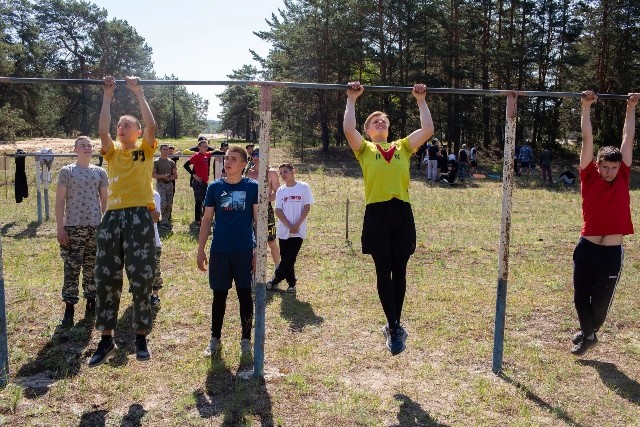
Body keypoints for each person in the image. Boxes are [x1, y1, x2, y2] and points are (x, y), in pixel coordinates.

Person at [343, 81, 434, 356]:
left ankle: (394, 324)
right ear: (368, 131)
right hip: (377, 213)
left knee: (401, 269)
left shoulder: (403, 147)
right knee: (383, 269)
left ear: (389, 128)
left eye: (384, 120)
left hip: (401, 211)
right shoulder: (365, 150)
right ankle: (394, 325)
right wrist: (351, 99)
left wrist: (421, 100)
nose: (380, 122)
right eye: (375, 121)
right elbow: (349, 128)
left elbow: (428, 129)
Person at [89, 76, 158, 367]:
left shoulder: (146, 147)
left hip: (139, 215)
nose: (121, 127)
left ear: (138, 131)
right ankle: (106, 338)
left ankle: (140, 334)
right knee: (106, 276)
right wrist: (107, 96)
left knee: (142, 277)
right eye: (120, 125)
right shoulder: (113, 151)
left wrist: (137, 92)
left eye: (127, 124)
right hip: (113, 216)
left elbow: (152, 126)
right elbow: (102, 129)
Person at [570, 90, 638, 355]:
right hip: (587, 247)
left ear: (619, 167)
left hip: (611, 252)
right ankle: (588, 334)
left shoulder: (623, 176)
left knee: (599, 305)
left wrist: (630, 108)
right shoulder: (588, 175)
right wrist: (586, 107)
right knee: (579, 296)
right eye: (605, 167)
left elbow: (627, 138)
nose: (609, 171)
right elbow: (588, 138)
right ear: (597, 165)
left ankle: (589, 331)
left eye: (613, 167)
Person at [197, 145, 258, 357]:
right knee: (219, 295)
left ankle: (246, 339)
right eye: (226, 158)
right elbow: (206, 220)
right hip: (220, 250)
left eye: (233, 158)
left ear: (243, 164)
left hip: (243, 250)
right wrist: (201, 249)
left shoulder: (253, 187)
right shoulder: (214, 187)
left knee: (244, 295)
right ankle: (215, 338)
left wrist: (258, 252)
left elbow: (258, 221)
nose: (228, 161)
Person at [56, 136, 108, 327]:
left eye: (89, 145)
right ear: (75, 149)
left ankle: (91, 302)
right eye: (82, 145)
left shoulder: (100, 172)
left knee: (92, 267)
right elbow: (60, 201)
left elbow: (105, 202)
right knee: (71, 267)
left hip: (95, 226)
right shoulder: (67, 171)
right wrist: (60, 228)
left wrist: (107, 226)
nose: (87, 148)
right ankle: (69, 307)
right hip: (73, 226)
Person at [267, 164, 314, 293]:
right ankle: (291, 284)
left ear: (294, 171)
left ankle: (274, 280)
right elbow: (277, 210)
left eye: (285, 171)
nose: (283, 175)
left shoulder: (303, 187)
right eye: (281, 173)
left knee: (290, 257)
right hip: (284, 230)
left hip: (298, 231)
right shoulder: (281, 190)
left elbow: (307, 207)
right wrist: (288, 225)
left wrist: (297, 224)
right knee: (286, 258)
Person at [245, 148, 281, 270]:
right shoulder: (247, 172)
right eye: (255, 154)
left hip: (266, 210)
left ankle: (278, 268)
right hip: (248, 210)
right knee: (250, 241)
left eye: (260, 154)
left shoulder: (271, 172)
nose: (257, 157)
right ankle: (252, 269)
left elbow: (278, 193)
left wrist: (265, 200)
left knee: (270, 241)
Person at [183, 139, 212, 227]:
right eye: (203, 146)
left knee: (205, 201)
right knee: (199, 202)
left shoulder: (206, 155)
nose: (205, 148)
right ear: (199, 147)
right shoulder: (196, 156)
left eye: (206, 146)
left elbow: (215, 151)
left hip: (205, 182)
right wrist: (193, 174)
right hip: (198, 182)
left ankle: (204, 219)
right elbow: (186, 165)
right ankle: (197, 221)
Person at [152, 144, 177, 230]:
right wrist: (163, 176)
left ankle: (164, 222)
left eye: (167, 149)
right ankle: (156, 217)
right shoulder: (156, 162)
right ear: (160, 150)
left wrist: (170, 178)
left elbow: (175, 174)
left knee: (169, 204)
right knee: (163, 202)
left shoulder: (171, 162)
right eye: (164, 149)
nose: (166, 151)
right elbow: (153, 175)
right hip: (161, 184)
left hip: (169, 184)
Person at [151, 190, 163, 307]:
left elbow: (155, 218)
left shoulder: (155, 195)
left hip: (153, 240)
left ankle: (155, 295)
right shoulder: (132, 194)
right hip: (135, 240)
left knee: (155, 269)